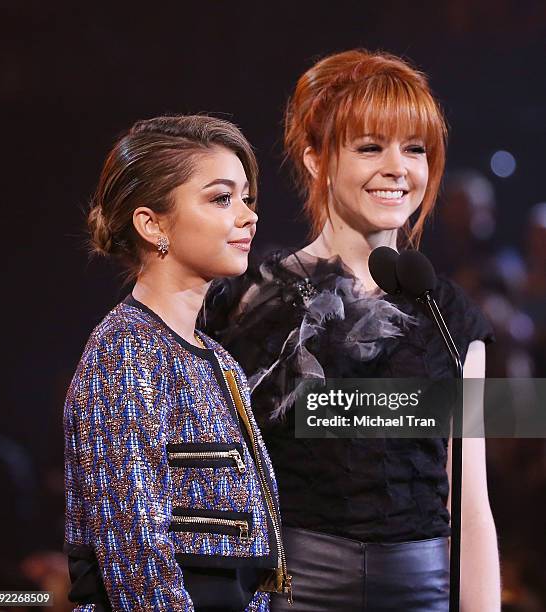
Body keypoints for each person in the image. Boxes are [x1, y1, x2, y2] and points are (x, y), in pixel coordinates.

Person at [205, 50, 501, 611]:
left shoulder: (450, 315)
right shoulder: (250, 304)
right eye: (370, 147)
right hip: (293, 592)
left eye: (414, 149)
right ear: (316, 158)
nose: (398, 168)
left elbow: (471, 501)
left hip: (423, 592)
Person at [63, 115, 292, 612]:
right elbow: (134, 547)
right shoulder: (125, 350)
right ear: (152, 224)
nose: (248, 216)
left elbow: (251, 558)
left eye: (247, 198)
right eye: (221, 198)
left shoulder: (222, 362)